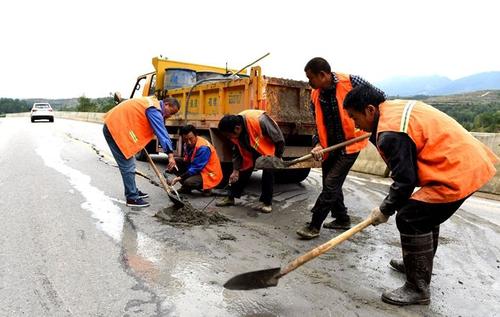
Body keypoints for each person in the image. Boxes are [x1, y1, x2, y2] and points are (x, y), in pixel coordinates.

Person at [342, 84, 498, 306]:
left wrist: (384, 210)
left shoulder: (390, 132)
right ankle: (417, 264)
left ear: (369, 110)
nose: (354, 124)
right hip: (465, 161)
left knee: (411, 216)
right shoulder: (391, 111)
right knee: (425, 212)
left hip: (457, 170)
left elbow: (405, 182)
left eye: (353, 116)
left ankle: (417, 288)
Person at [296, 57, 385, 240]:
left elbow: (380, 98)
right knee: (330, 181)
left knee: (331, 184)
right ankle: (342, 218)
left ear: (323, 75)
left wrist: (379, 125)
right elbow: (317, 123)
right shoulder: (315, 95)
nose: (309, 82)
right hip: (330, 146)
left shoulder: (352, 82)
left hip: (350, 144)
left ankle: (314, 226)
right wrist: (318, 144)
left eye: (310, 78)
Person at [103, 95, 180, 208]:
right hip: (115, 129)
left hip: (119, 127)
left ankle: (133, 190)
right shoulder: (154, 109)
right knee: (127, 165)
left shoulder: (151, 103)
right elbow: (162, 133)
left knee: (131, 164)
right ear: (167, 105)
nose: (169, 116)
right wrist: (170, 155)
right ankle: (132, 198)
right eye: (171, 112)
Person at [215, 110, 285, 213]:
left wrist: (278, 156)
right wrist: (235, 170)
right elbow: (237, 152)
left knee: (268, 172)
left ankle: (267, 203)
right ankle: (231, 197)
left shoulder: (260, 120)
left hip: (267, 149)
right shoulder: (236, 129)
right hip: (251, 149)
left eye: (229, 136)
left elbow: (279, 139)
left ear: (237, 129)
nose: (228, 138)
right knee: (243, 168)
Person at [166, 124, 223, 195]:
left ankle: (206, 188)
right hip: (200, 170)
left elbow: (195, 168)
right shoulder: (187, 144)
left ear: (196, 135)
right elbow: (187, 160)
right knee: (175, 162)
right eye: (185, 139)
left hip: (209, 174)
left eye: (191, 138)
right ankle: (186, 187)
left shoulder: (203, 148)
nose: (189, 142)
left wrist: (179, 178)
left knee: (188, 182)